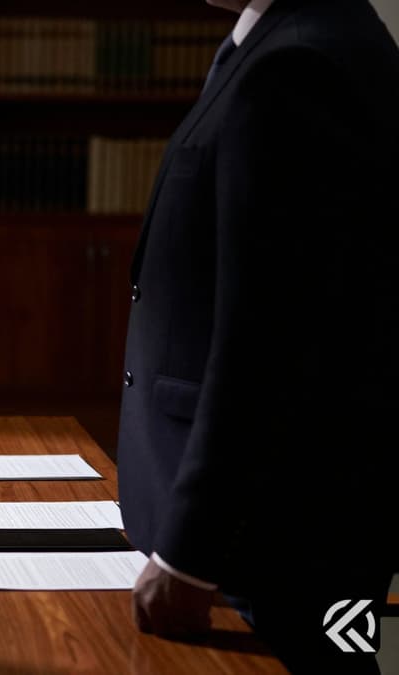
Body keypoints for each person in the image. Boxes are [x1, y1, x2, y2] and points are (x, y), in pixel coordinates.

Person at [118, 0, 399, 672]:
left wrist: (190, 554)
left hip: (266, 556)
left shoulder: (300, 63)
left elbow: (269, 339)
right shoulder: (288, 42)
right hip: (260, 547)